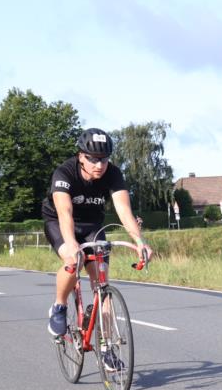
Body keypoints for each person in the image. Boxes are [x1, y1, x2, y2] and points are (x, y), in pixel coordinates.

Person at [42, 128, 154, 370]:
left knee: (101, 283)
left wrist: (139, 241)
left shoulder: (113, 174)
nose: (99, 164)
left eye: (103, 159)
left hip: (92, 225)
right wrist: (71, 242)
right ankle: (59, 306)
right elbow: (65, 211)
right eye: (92, 158)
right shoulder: (64, 172)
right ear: (81, 156)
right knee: (74, 261)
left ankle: (106, 348)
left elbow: (124, 210)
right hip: (59, 222)